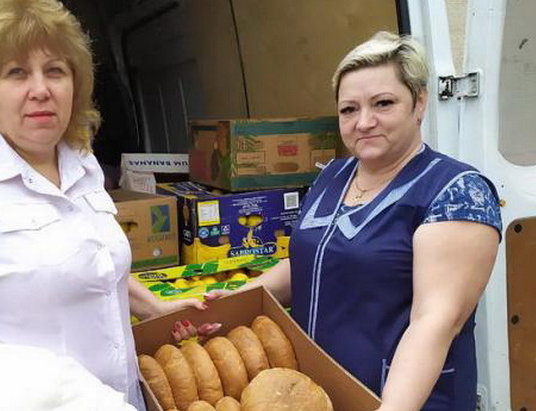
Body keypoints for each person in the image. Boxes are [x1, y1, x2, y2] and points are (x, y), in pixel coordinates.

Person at [0, 0, 204, 409]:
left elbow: (93, 261)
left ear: (75, 84)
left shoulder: (82, 163)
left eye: (56, 71)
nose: (41, 89)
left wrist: (156, 308)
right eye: (17, 73)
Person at [199, 31, 502, 410]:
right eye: (349, 109)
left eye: (383, 103)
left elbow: (436, 322)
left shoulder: (456, 192)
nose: (364, 122)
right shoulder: (333, 175)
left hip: (400, 397)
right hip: (318, 392)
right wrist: (241, 299)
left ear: (420, 102)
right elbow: (306, 266)